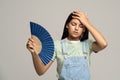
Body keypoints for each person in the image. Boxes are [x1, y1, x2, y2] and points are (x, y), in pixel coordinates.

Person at [26, 10, 108, 80]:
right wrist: (34, 53)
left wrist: (86, 23)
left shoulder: (87, 44)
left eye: (81, 26)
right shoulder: (57, 45)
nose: (76, 28)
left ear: (84, 29)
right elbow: (40, 71)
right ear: (67, 25)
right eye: (73, 24)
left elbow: (103, 44)